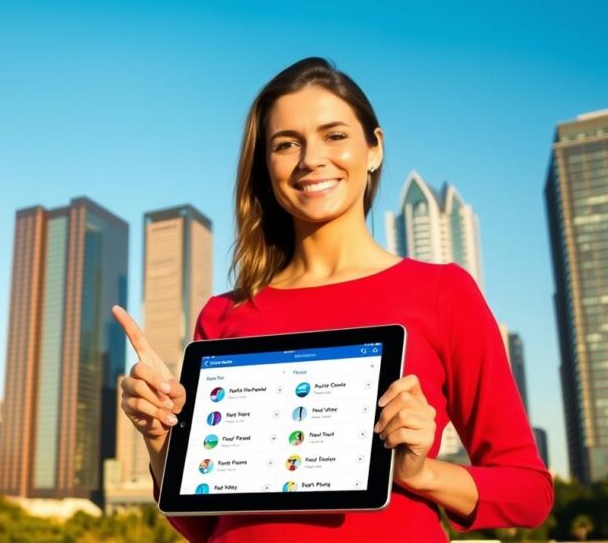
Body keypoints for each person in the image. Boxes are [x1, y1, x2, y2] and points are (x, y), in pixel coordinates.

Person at [112, 57, 553, 542]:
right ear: (266, 166)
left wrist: (419, 473)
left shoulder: (444, 292)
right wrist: (160, 440)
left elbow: (529, 493)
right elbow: (205, 527)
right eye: (286, 144)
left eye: (335, 135)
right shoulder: (223, 314)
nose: (311, 159)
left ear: (374, 149)